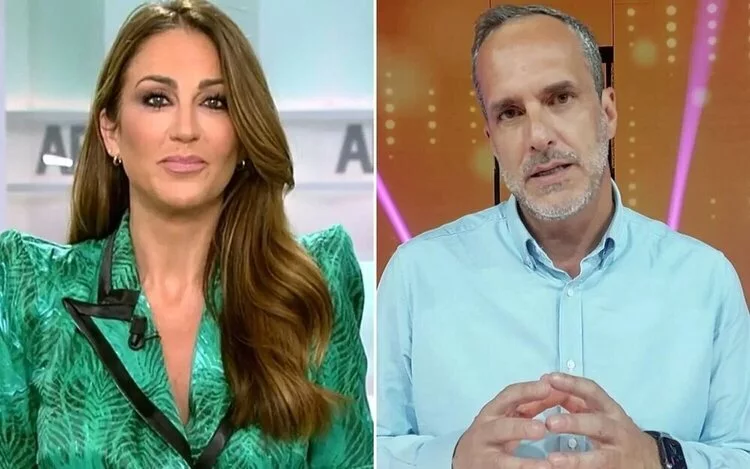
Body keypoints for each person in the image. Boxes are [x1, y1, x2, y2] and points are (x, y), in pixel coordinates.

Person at [0, 1, 373, 468]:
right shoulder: (29, 289)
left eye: (214, 102)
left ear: (242, 132)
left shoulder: (315, 288)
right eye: (157, 99)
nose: (185, 130)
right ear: (110, 130)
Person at [376, 4, 750, 469]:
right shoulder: (416, 276)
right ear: (491, 138)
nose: (538, 136)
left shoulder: (705, 281)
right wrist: (451, 459)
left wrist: (659, 458)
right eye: (511, 112)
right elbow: (364, 448)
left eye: (560, 98)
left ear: (607, 112)